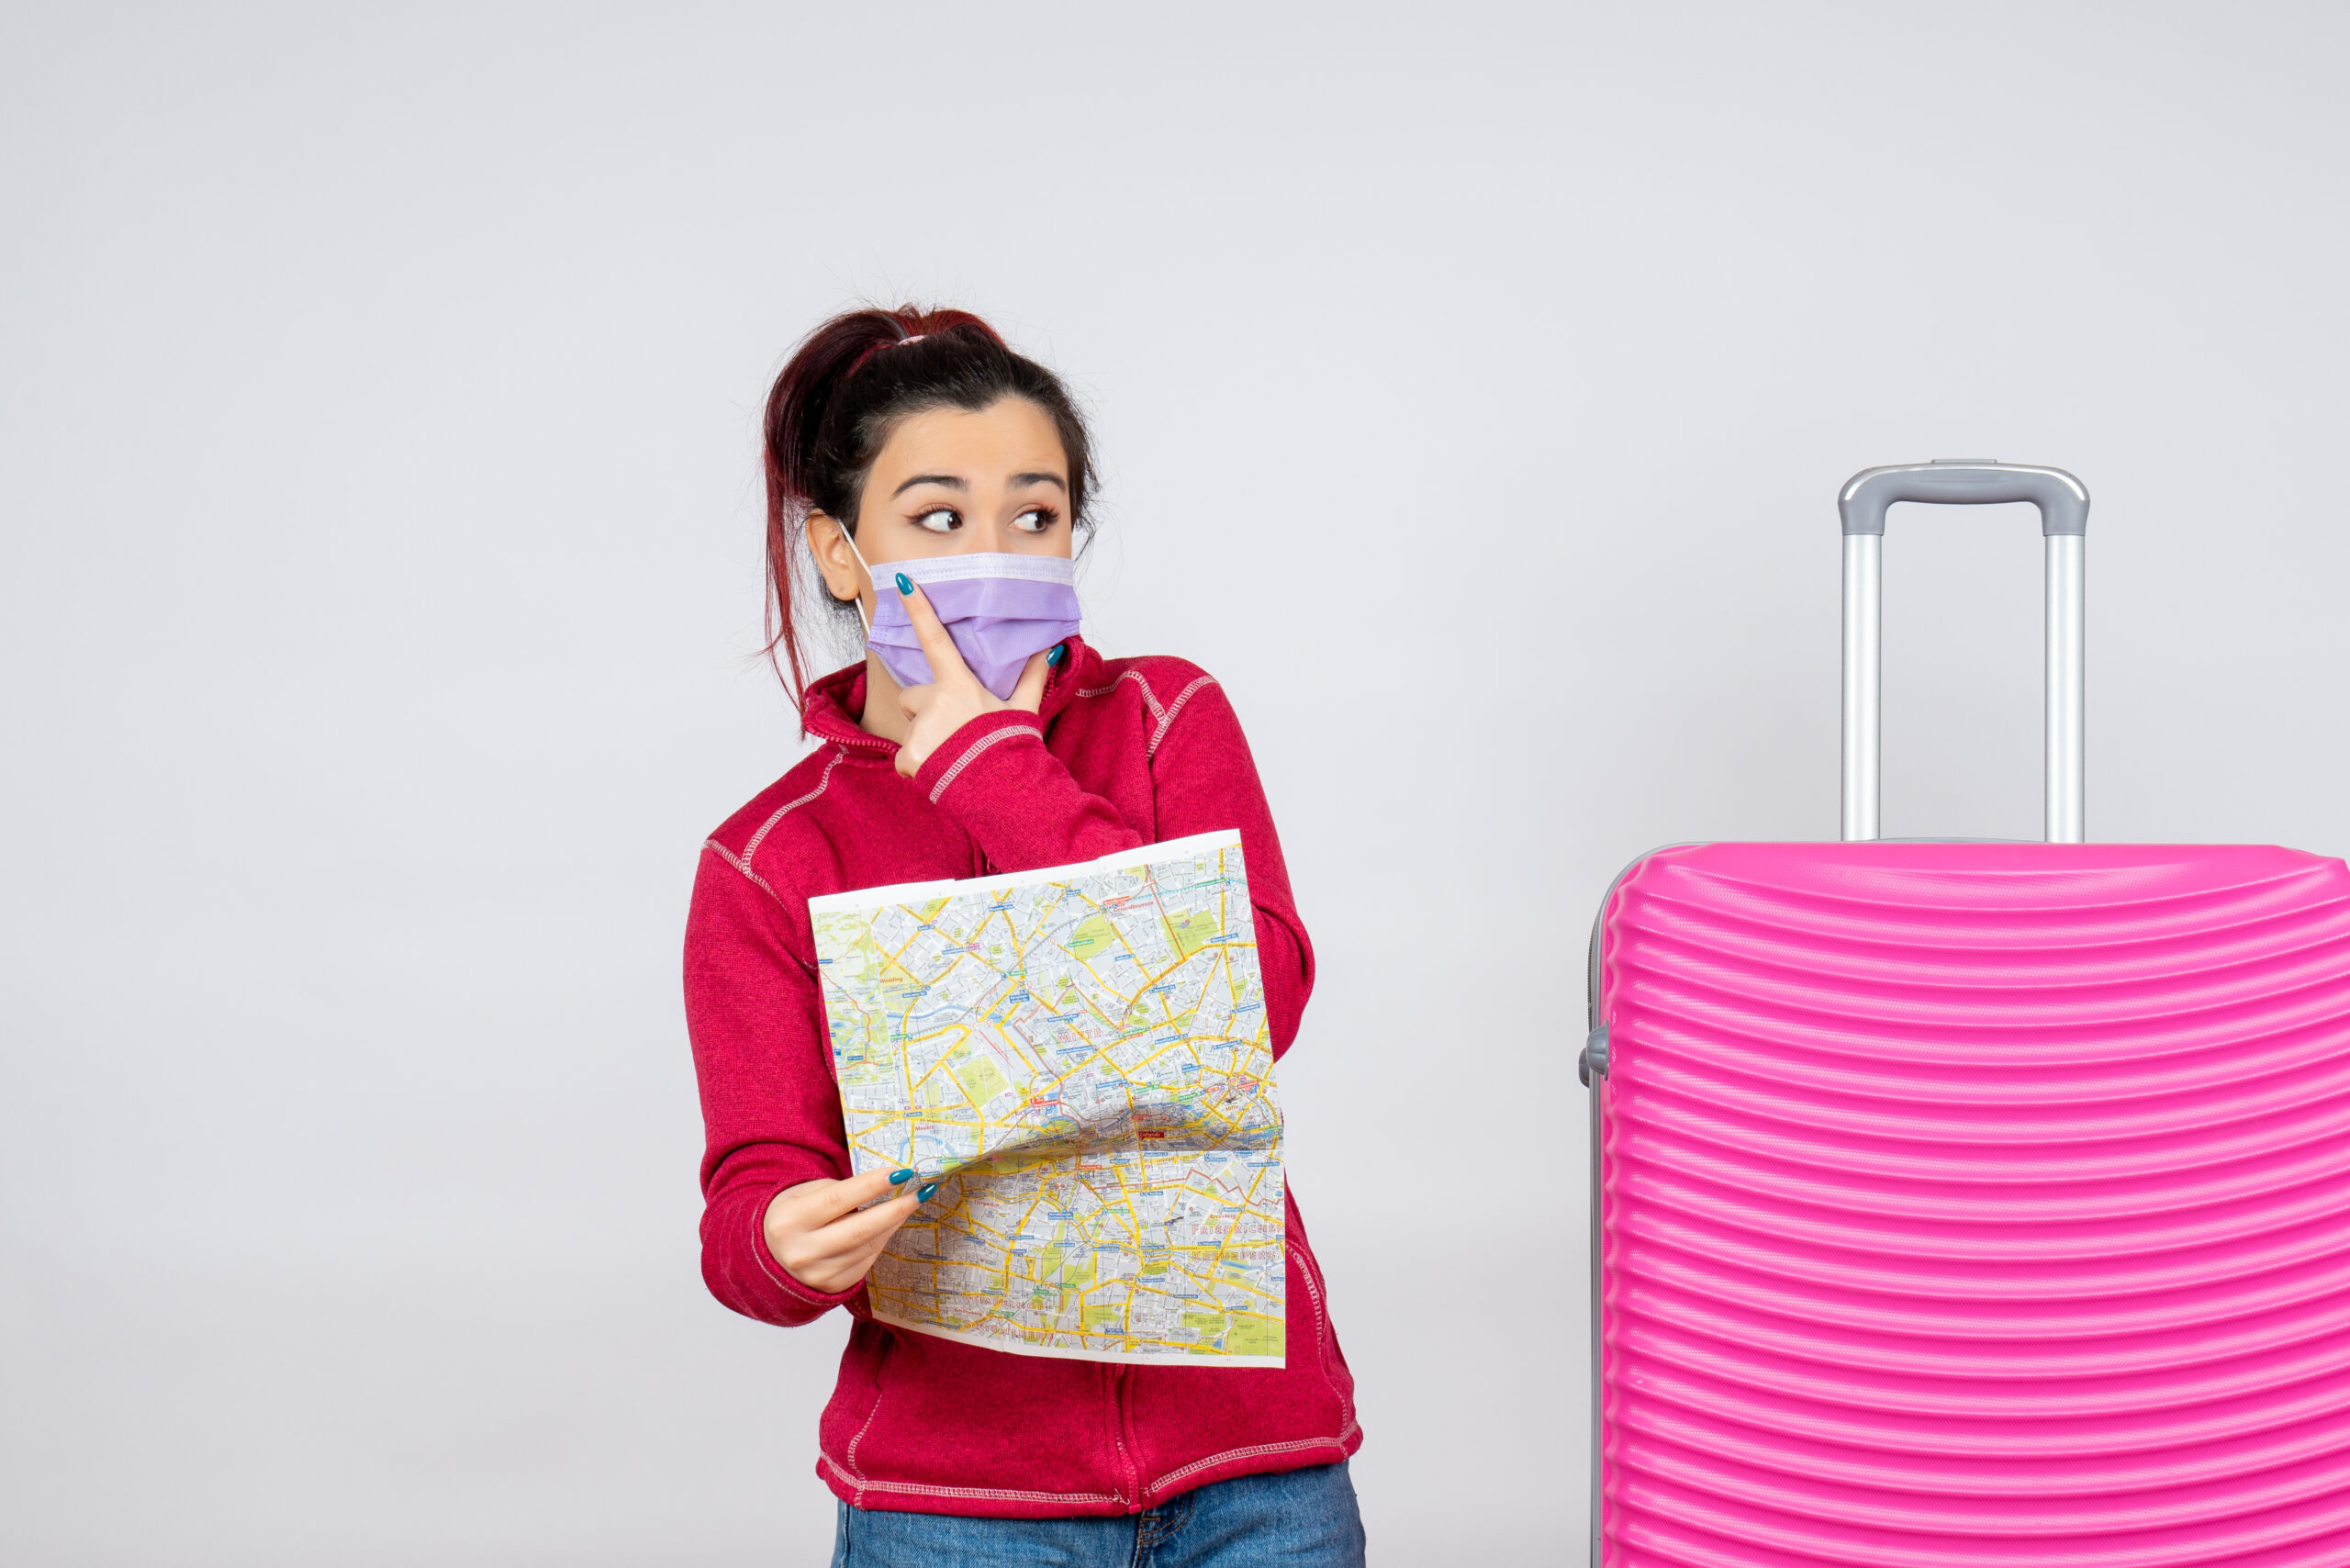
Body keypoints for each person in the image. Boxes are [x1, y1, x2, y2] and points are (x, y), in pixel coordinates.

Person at [683, 306, 1364, 1568]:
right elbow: (753, 1195)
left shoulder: (1167, 719)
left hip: (1255, 1476)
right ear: (841, 554)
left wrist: (992, 767)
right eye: (937, 519)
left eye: (1034, 516)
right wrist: (781, 1245)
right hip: (955, 1509)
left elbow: (1249, 1004)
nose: (992, 553)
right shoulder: (771, 857)